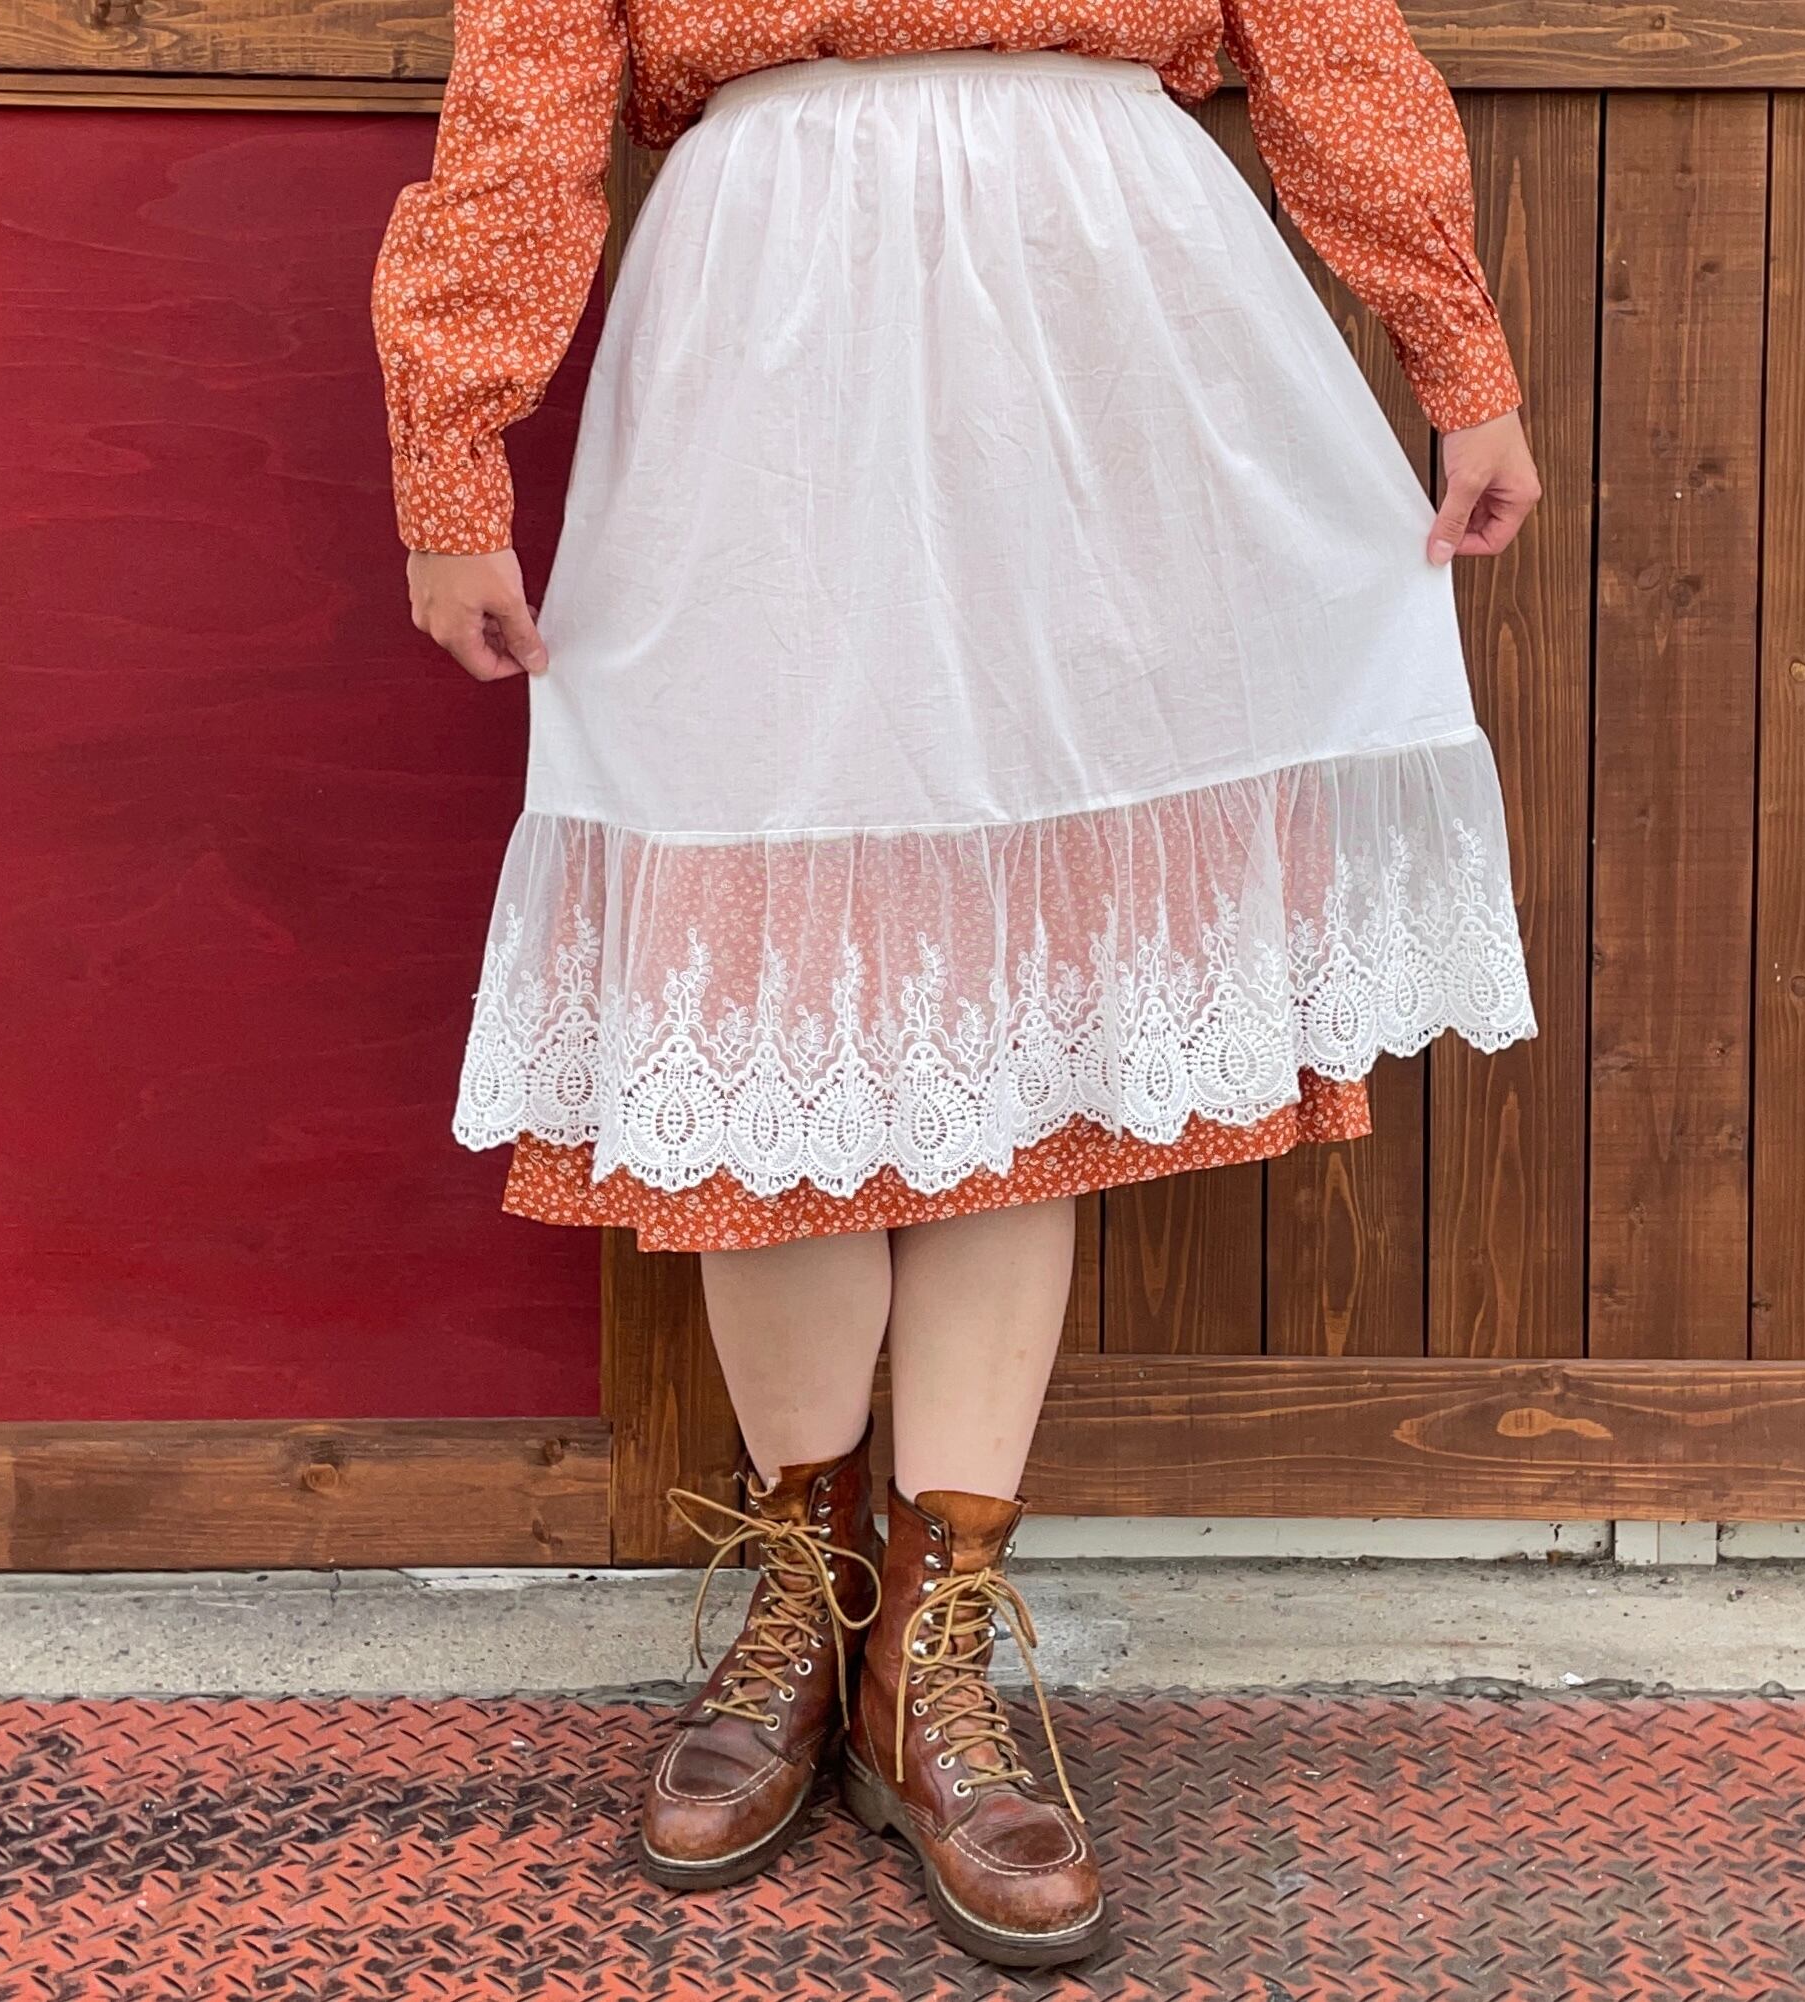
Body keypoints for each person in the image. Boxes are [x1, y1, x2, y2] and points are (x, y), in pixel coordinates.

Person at [373, 0, 1540, 1968]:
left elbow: (1322, 34)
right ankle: (806, 1593)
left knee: (1027, 983)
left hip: (1107, 306)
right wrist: (446, 452)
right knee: (762, 974)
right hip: (760, 317)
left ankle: (938, 1638)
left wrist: (1459, 353)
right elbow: (529, 83)